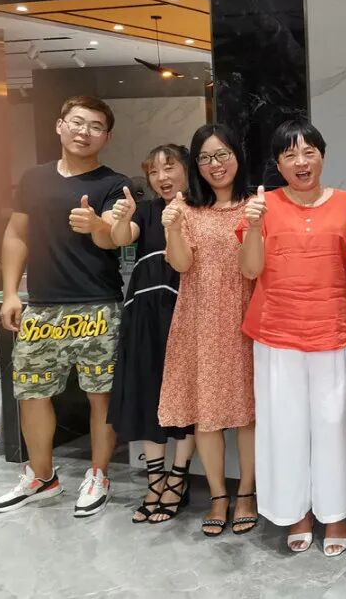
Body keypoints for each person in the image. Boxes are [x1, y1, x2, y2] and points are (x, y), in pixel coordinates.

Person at [0, 95, 126, 517]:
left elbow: (114, 237)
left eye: (96, 126)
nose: (85, 132)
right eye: (78, 122)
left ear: (107, 136)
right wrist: (11, 292)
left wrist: (97, 224)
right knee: (31, 392)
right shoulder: (33, 179)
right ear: (60, 125)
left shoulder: (113, 184)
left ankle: (99, 474)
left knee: (101, 396)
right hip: (42, 307)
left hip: (98, 306)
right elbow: (16, 235)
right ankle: (41, 476)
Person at [238, 119, 346, 557]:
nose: (300, 162)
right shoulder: (262, 205)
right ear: (278, 164)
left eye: (308, 151)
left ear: (322, 156)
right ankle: (296, 512)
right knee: (285, 426)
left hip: (333, 328)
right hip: (276, 332)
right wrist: (253, 226)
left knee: (333, 424)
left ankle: (336, 512)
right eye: (289, 154)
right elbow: (250, 269)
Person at [157, 124, 257, 537]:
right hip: (199, 320)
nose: (215, 165)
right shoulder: (187, 209)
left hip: (246, 318)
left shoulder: (256, 204)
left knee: (248, 413)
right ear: (196, 165)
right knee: (207, 414)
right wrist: (170, 226)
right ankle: (218, 495)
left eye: (222, 154)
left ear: (237, 156)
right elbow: (181, 264)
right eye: (205, 158)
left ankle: (247, 492)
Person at [107, 144, 197, 524]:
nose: (162, 177)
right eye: (154, 172)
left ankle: (178, 478)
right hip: (143, 315)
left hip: (185, 312)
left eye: (169, 168)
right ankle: (155, 479)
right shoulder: (145, 211)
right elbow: (121, 237)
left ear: (187, 169)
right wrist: (120, 219)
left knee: (186, 397)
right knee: (147, 394)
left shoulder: (200, 210)